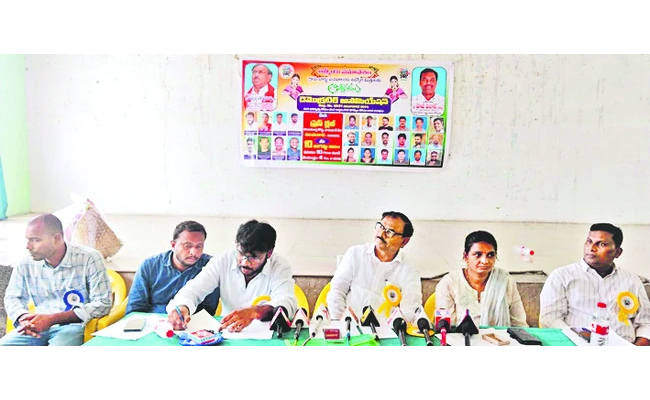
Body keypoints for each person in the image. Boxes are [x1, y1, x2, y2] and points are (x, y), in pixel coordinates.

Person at [167, 220, 297, 332]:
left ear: (269, 253)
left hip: (265, 335)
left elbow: (286, 301)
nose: (245, 262)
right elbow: (193, 290)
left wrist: (254, 312)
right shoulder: (223, 260)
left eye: (254, 257)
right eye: (241, 254)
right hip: (226, 333)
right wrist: (183, 307)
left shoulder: (279, 265)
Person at [0, 214, 111, 346]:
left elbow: (103, 304)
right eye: (28, 240)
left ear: (57, 239)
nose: (28, 246)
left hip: (73, 326)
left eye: (35, 240)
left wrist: (51, 319)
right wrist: (23, 318)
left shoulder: (90, 258)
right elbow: (13, 297)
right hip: (35, 326)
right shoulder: (25, 263)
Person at [539, 223, 650, 345]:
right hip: (575, 349)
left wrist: (636, 353)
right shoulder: (562, 276)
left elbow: (646, 324)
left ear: (617, 252)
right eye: (589, 242)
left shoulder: (632, 280)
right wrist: (577, 342)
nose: (592, 248)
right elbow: (550, 319)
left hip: (625, 352)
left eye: (602, 244)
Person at [327, 212, 422, 321]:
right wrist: (341, 322)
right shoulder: (355, 254)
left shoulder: (409, 269)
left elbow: (410, 308)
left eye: (389, 231)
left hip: (386, 333)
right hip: (350, 326)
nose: (381, 234)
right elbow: (336, 290)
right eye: (380, 227)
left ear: (404, 241)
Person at [436, 230, 528, 327]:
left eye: (490, 255)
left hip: (499, 340)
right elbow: (446, 327)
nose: (484, 261)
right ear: (466, 256)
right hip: (461, 339)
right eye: (477, 255)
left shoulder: (506, 282)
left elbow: (519, 324)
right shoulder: (450, 283)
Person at [126, 221, 220, 316]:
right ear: (173, 245)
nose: (193, 252)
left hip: (191, 323)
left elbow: (208, 310)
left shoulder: (211, 266)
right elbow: (135, 308)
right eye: (187, 246)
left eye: (199, 246)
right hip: (153, 321)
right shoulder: (150, 266)